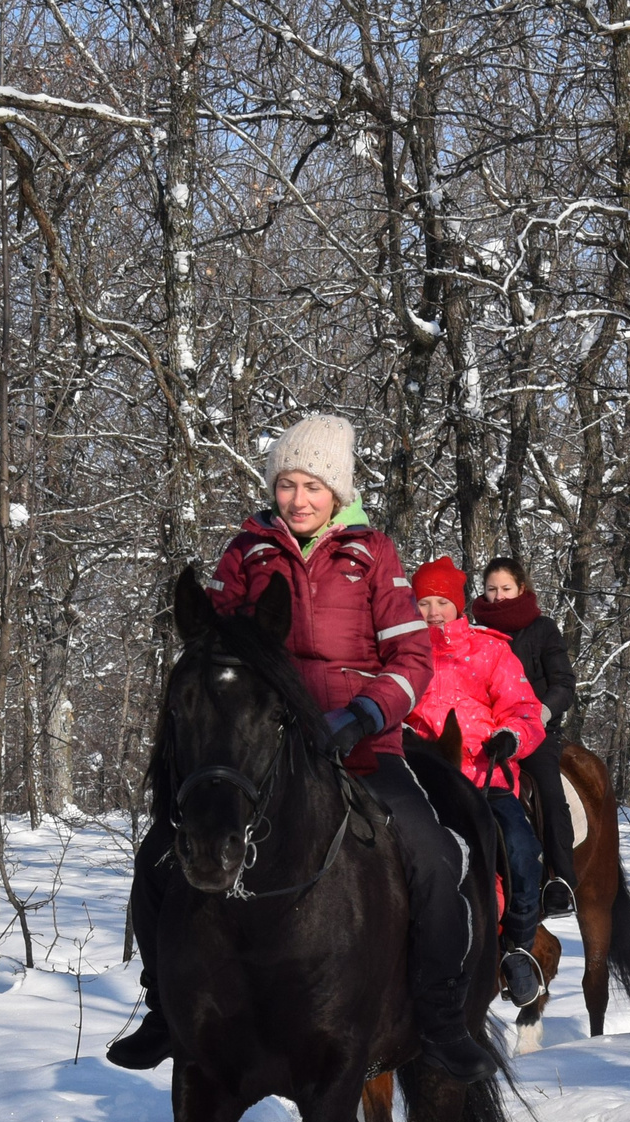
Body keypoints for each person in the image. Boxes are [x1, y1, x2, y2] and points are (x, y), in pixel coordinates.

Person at [110, 413, 497, 1083]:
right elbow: (222, 640)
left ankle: (440, 1014)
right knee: (159, 857)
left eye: (311, 485)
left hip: (363, 745)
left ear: (336, 489)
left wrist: (366, 712)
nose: (297, 498)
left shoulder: (374, 554)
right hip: (267, 751)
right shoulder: (248, 551)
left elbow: (411, 654)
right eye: (286, 483)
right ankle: (164, 1009)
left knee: (434, 856)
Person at [407, 556, 550, 1009]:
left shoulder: (491, 651)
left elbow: (522, 707)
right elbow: (394, 700)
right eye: (424, 602)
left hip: (484, 775)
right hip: (423, 777)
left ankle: (517, 949)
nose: (433, 612)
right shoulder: (404, 652)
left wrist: (511, 735)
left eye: (441, 602)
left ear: (457, 605)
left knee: (522, 850)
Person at [471, 557, 579, 914]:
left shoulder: (543, 629)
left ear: (521, 589)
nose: (498, 597)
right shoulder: (474, 631)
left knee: (548, 790)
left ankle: (560, 878)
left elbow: (563, 684)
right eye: (491, 589)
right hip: (485, 730)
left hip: (534, 729)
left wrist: (537, 716)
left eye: (505, 589)